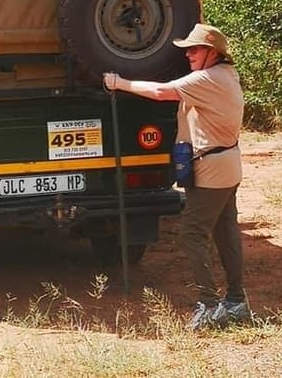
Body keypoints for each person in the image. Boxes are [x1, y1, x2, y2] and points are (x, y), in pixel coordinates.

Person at [102, 23, 249, 330]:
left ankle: (209, 305)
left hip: (211, 167)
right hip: (227, 163)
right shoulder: (225, 75)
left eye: (194, 49)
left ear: (212, 53)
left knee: (192, 233)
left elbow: (160, 91)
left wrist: (119, 82)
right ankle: (236, 301)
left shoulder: (207, 78)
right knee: (225, 231)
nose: (189, 55)